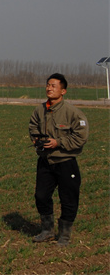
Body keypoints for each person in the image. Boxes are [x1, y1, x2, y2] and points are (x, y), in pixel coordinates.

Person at [28, 73, 89, 247]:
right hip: (45, 161)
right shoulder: (40, 110)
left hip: (65, 161)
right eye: (47, 85)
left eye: (53, 86)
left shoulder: (73, 113)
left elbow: (81, 137)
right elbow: (32, 126)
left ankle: (64, 236)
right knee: (41, 196)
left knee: (68, 198)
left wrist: (58, 142)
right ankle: (47, 231)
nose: (49, 88)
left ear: (63, 91)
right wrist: (36, 139)